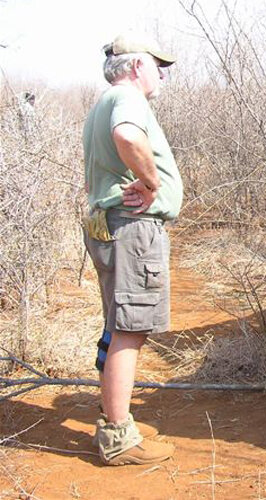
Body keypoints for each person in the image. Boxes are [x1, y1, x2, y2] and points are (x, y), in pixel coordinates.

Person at [81, 32, 183, 466]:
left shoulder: (103, 101)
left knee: (117, 320)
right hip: (132, 227)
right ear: (136, 66)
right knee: (130, 327)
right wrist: (152, 182)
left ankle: (114, 414)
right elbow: (127, 135)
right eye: (156, 66)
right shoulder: (128, 100)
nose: (160, 75)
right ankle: (119, 437)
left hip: (111, 224)